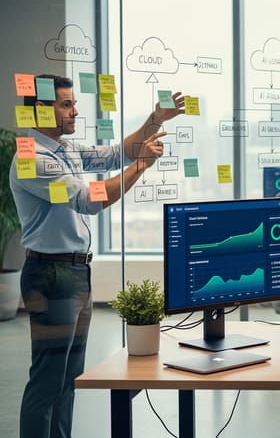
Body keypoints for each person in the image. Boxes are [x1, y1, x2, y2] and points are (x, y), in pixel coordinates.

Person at [10, 74, 184, 438]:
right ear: (42, 110)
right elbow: (91, 199)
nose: (75, 111)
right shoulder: (33, 158)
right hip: (51, 274)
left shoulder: (65, 149)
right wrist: (141, 168)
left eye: (74, 102)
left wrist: (155, 119)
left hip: (75, 274)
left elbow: (119, 152)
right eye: (66, 104)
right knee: (47, 382)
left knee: (69, 381)